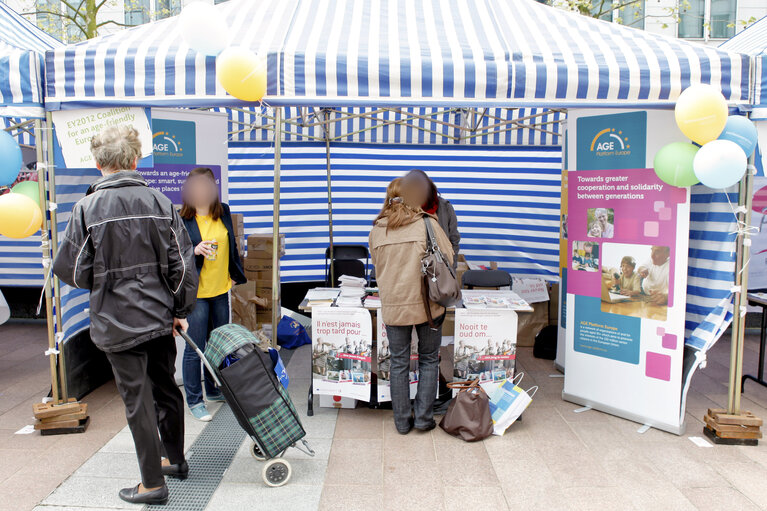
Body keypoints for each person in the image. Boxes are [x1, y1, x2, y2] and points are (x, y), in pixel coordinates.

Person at [52, 126, 198, 505]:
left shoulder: (86, 209)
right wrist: (179, 309)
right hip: (159, 317)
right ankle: (176, 460)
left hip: (116, 321)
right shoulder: (161, 202)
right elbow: (182, 265)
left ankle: (152, 484)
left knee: (137, 401)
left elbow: (70, 269)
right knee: (166, 389)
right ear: (135, 160)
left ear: (99, 164)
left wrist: (104, 278)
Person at [369, 177, 454, 434]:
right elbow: (448, 256)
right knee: (429, 360)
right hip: (428, 305)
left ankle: (402, 422)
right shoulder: (427, 224)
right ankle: (423, 419)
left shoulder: (377, 230)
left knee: (398, 362)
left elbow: (376, 265)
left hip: (393, 305)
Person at [179, 167, 247, 421]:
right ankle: (195, 400)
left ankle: (213, 389)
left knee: (217, 345)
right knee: (194, 348)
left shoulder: (224, 211)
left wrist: (234, 273)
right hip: (196, 293)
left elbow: (233, 246)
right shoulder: (182, 219)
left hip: (221, 290)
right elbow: (173, 255)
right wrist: (194, 250)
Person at [403, 169, 460, 265]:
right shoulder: (403, 209)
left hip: (440, 267)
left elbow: (454, 240)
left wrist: (451, 268)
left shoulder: (445, 207)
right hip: (412, 267)